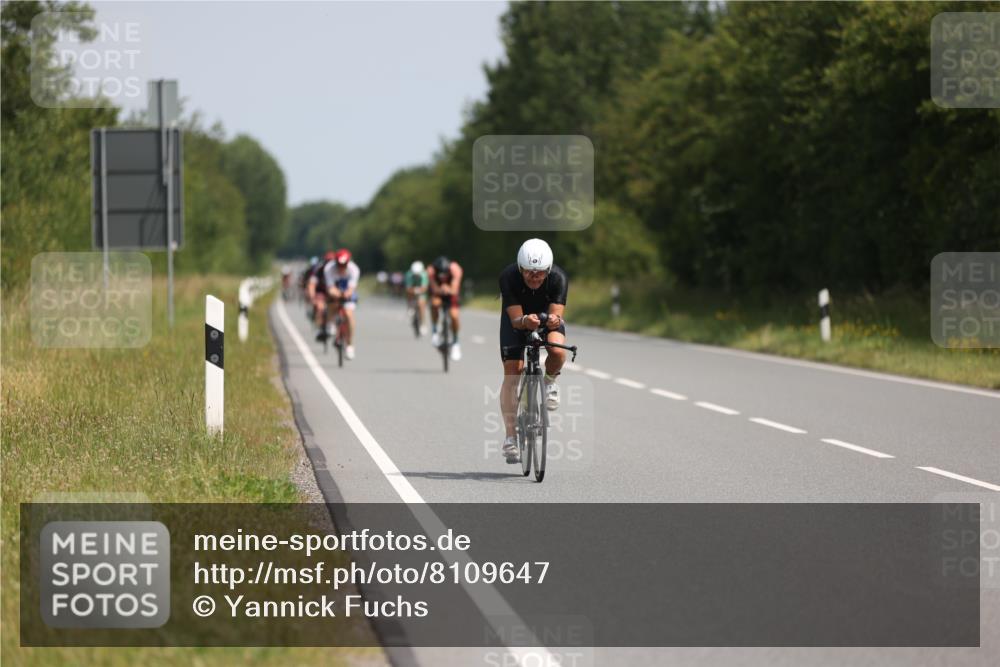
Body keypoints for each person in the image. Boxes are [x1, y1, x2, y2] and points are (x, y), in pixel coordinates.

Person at [498, 239, 568, 464]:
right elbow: (516, 320)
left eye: (540, 273)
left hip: (547, 318)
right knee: (513, 371)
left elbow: (557, 318)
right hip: (517, 319)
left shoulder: (558, 278)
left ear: (548, 270)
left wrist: (551, 320)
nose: (535, 278)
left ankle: (549, 382)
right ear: (520, 269)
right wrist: (526, 321)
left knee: (557, 351)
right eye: (529, 273)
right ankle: (510, 437)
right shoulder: (508, 277)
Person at [322, 248, 361, 359]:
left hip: (348, 291)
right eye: (339, 264)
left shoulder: (354, 269)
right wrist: (337, 294)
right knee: (331, 302)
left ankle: (349, 345)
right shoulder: (329, 268)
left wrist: (346, 294)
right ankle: (331, 323)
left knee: (349, 314)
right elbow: (330, 288)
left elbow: (352, 288)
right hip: (334, 290)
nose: (341, 267)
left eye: (344, 265)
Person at [427, 255, 464, 361]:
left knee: (454, 316)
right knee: (434, 304)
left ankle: (456, 343)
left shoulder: (455, 269)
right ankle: (434, 331)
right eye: (440, 274)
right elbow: (434, 288)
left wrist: (448, 288)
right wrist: (441, 289)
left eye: (445, 274)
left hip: (451, 293)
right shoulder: (431, 271)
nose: (443, 276)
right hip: (438, 292)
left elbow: (454, 289)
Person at [307, 251, 335, 334]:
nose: (329, 265)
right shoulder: (319, 270)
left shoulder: (337, 269)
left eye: (331, 262)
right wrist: (312, 297)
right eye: (328, 262)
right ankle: (319, 327)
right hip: (321, 291)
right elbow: (311, 284)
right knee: (320, 307)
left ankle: (334, 325)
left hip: (333, 292)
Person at [405, 260, 429, 336]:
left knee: (421, 304)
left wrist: (418, 291)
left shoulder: (424, 274)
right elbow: (408, 288)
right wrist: (413, 291)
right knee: (409, 294)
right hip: (412, 290)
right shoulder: (409, 275)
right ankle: (409, 307)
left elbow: (425, 288)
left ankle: (423, 324)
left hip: (421, 291)